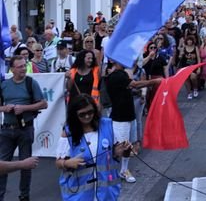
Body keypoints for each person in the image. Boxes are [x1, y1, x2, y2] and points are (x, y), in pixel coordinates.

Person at [55, 94, 132, 201]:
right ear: (74, 115)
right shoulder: (68, 133)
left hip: (106, 192)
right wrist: (67, 163)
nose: (87, 116)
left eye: (90, 112)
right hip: (79, 194)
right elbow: (58, 163)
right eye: (82, 114)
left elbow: (116, 154)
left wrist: (124, 150)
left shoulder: (108, 125)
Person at [0, 55, 48, 201]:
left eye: (24, 65)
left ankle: (24, 196)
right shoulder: (4, 85)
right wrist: (5, 108)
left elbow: (43, 104)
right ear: (12, 69)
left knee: (25, 165)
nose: (23, 69)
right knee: (2, 164)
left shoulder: (30, 83)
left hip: (25, 129)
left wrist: (23, 108)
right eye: (19, 66)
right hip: (7, 129)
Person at [177, 35, 200, 100]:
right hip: (185, 66)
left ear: (192, 41)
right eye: (188, 40)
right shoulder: (184, 48)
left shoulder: (195, 48)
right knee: (186, 79)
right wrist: (181, 54)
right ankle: (189, 93)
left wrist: (199, 67)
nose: (189, 41)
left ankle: (195, 89)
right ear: (186, 41)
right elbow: (180, 57)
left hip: (193, 66)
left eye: (190, 40)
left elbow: (198, 58)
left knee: (193, 77)